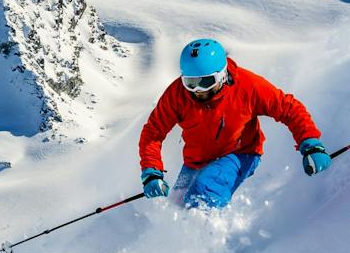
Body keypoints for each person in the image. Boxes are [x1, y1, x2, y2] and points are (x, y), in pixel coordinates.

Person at [138, 38, 331, 208]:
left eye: (205, 82)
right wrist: (151, 172)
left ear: (222, 75)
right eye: (190, 82)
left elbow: (288, 108)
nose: (197, 90)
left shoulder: (247, 86)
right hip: (196, 161)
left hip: (240, 153)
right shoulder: (177, 95)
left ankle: (204, 243)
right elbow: (153, 132)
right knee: (176, 206)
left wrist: (311, 143)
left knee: (202, 196)